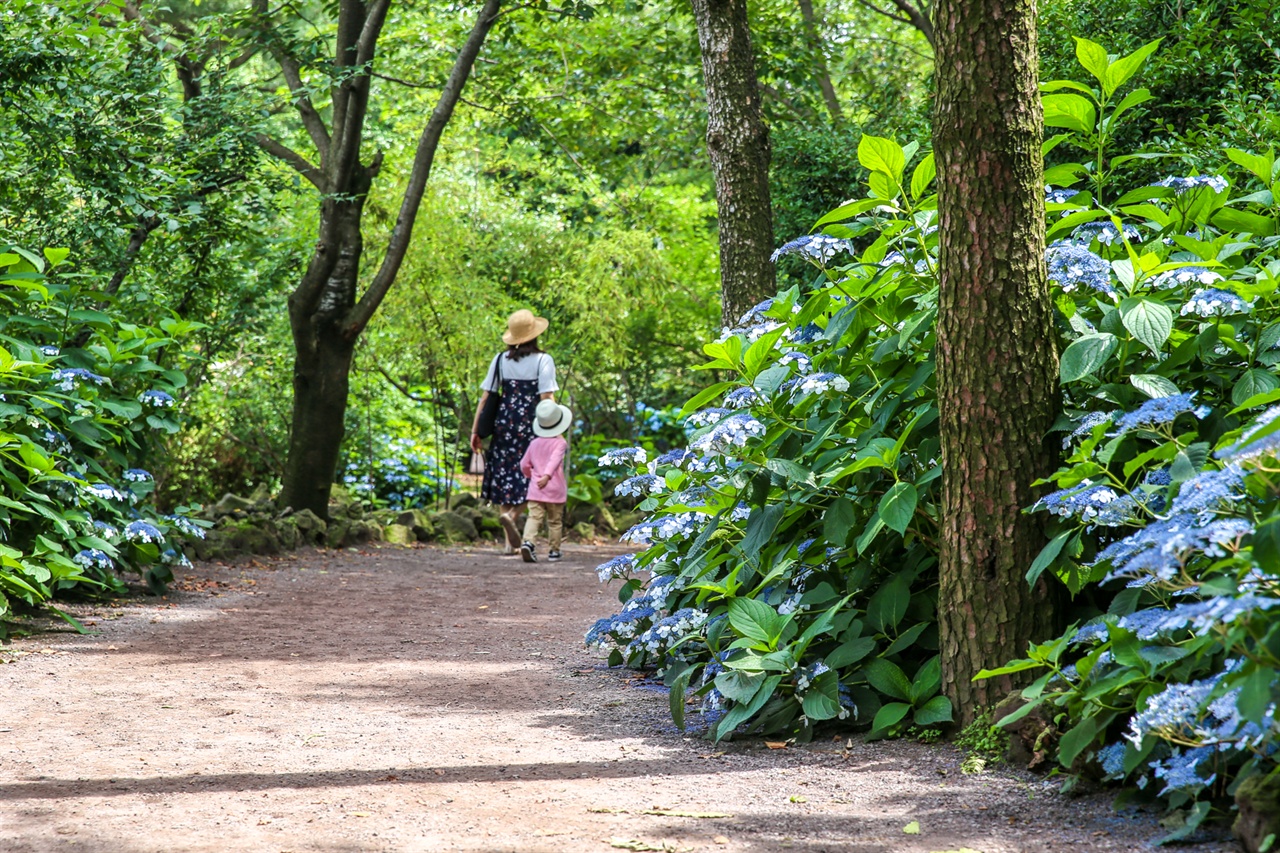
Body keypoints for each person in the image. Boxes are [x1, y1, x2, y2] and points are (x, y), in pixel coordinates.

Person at [470, 309, 558, 555]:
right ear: (535, 334)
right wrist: (554, 428)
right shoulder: (543, 360)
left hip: (503, 424)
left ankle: (509, 545)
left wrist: (475, 430)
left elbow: (486, 397)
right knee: (532, 475)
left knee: (504, 475)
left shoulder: (500, 360)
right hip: (532, 425)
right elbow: (547, 397)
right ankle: (512, 515)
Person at [518, 399, 571, 563]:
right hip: (554, 488)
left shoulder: (534, 443)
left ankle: (528, 542)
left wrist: (531, 476)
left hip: (536, 488)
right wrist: (547, 476)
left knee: (534, 518)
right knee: (554, 521)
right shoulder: (560, 443)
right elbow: (555, 459)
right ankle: (554, 551)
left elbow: (523, 464)